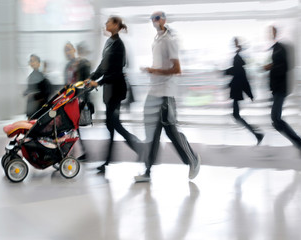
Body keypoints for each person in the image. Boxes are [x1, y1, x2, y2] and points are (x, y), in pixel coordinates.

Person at [134, 11, 201, 182]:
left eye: (157, 18)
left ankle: (192, 159)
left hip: (165, 94)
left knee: (171, 132)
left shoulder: (170, 40)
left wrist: (153, 71)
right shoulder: (156, 40)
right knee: (152, 134)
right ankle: (148, 172)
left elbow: (177, 69)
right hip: (154, 91)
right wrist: (152, 70)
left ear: (164, 20)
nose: (154, 21)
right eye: (152, 19)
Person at [84, 16, 142, 172]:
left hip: (116, 90)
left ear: (116, 25)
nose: (106, 24)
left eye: (108, 22)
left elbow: (116, 72)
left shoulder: (119, 45)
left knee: (113, 124)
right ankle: (118, 156)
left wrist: (99, 82)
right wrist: (90, 79)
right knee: (112, 125)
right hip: (109, 91)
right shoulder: (109, 43)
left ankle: (134, 150)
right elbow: (103, 66)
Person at [263, 26, 301, 158]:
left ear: (276, 32)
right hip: (276, 89)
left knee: (276, 119)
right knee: (275, 121)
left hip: (280, 89)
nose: (269, 34)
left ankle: (300, 143)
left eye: (271, 31)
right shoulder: (276, 48)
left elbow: (285, 66)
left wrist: (270, 67)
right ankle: (299, 143)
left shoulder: (280, 47)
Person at [225, 37, 264, 145]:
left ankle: (257, 134)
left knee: (236, 115)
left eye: (235, 43)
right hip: (236, 91)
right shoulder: (238, 58)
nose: (234, 45)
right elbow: (237, 74)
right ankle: (256, 133)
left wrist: (250, 94)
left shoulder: (238, 58)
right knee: (235, 115)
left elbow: (240, 76)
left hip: (236, 91)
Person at [63, 42, 88, 160]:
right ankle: (73, 151)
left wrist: (83, 99)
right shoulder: (67, 66)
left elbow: (84, 82)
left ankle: (74, 151)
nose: (67, 52)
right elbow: (66, 84)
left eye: (69, 49)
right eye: (65, 50)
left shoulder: (80, 64)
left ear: (74, 50)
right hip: (68, 100)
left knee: (73, 126)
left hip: (77, 99)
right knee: (71, 126)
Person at [24, 54, 51, 119]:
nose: (32, 63)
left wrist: (33, 95)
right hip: (32, 106)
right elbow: (30, 89)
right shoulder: (31, 76)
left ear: (39, 63)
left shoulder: (42, 77)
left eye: (34, 61)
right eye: (31, 61)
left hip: (39, 107)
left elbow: (46, 92)